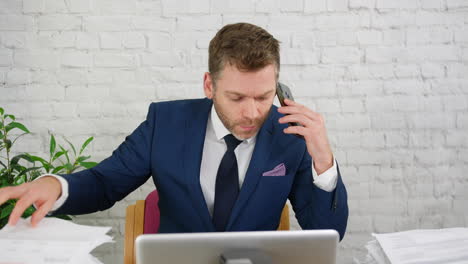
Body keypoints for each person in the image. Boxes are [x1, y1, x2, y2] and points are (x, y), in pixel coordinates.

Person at [0, 23, 348, 240]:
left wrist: (322, 159)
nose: (252, 112)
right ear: (209, 85)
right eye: (237, 97)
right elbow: (105, 183)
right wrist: (56, 185)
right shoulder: (164, 124)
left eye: (263, 96)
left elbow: (329, 232)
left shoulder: (290, 136)